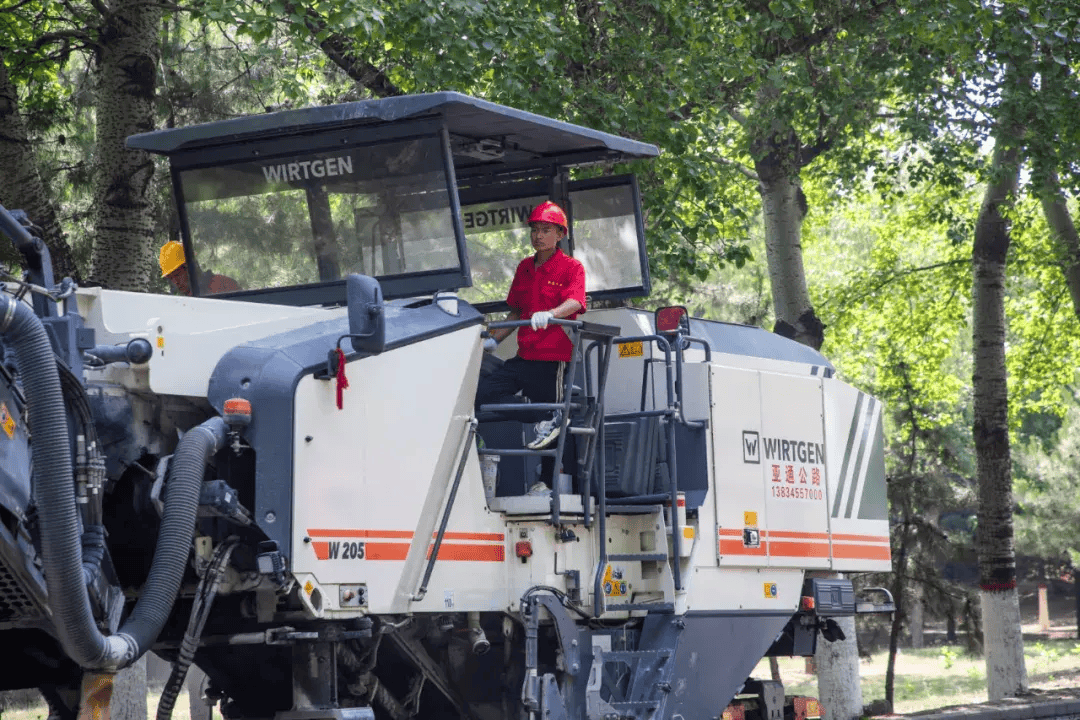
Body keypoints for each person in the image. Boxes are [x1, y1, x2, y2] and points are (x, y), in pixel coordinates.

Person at [475, 201, 586, 497]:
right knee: (485, 393)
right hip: (524, 357)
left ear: (560, 234)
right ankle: (541, 414)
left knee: (555, 430)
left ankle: (547, 485)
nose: (538, 235)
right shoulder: (525, 267)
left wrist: (552, 313)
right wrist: (493, 340)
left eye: (545, 230)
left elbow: (575, 302)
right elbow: (516, 311)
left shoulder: (572, 267)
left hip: (553, 359)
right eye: (535, 230)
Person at [159, 241, 241, 296]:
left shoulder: (223, 285)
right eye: (170, 278)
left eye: (177, 275)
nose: (175, 282)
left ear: (190, 267)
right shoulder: (184, 301)